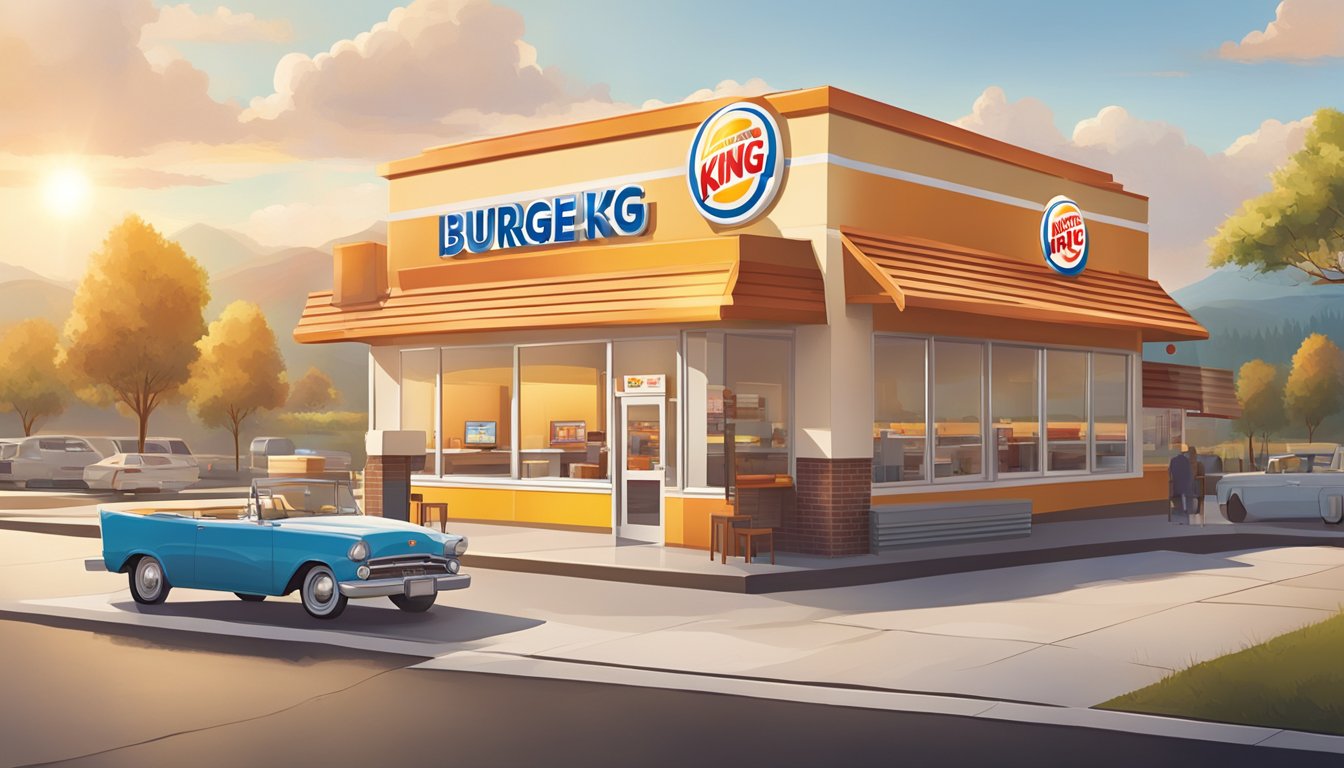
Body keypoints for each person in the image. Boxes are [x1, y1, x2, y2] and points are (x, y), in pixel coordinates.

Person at [1167, 448, 1197, 524]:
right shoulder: (1189, 463)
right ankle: (1186, 514)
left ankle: (1182, 513)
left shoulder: (1174, 461)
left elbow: (1169, 475)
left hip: (1177, 489)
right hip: (1188, 490)